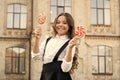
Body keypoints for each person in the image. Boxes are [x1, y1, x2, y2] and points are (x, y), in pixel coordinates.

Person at [32, 12, 79, 80]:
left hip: (60, 77)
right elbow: (35, 57)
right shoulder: (48, 40)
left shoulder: (70, 43)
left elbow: (65, 68)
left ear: (69, 26)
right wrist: (37, 39)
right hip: (45, 76)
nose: (60, 25)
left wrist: (70, 47)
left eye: (64, 23)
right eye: (58, 22)